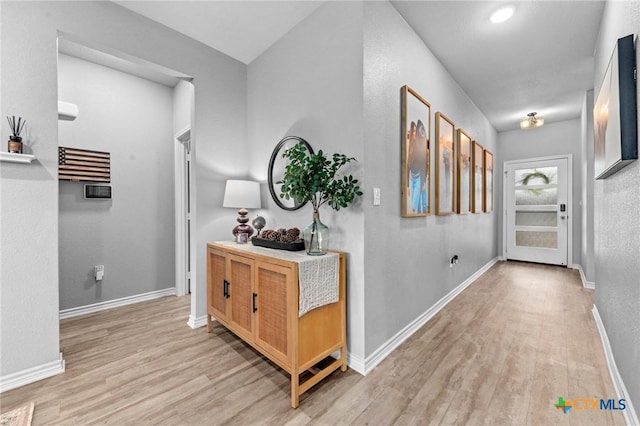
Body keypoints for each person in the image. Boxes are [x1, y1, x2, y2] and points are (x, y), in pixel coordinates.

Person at [407, 119, 429, 213]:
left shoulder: (421, 147)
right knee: (414, 204)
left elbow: (424, 164)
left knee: (414, 207)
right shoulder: (410, 147)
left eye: (416, 131)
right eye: (414, 131)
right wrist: (407, 185)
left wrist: (423, 181)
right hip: (412, 177)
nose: (415, 134)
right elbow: (407, 165)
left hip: (419, 177)